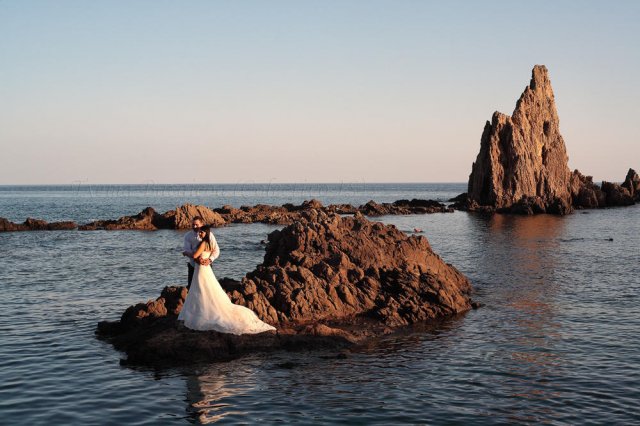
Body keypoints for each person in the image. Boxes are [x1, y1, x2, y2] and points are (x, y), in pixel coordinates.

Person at [178, 226, 276, 334]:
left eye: (201, 232)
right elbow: (207, 254)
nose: (199, 234)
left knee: (200, 289)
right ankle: (203, 310)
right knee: (207, 289)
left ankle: (201, 312)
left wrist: (186, 253)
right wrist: (204, 259)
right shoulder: (210, 243)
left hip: (201, 270)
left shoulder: (203, 243)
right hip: (205, 268)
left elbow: (195, 255)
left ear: (206, 233)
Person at [183, 216, 219, 289]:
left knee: (208, 287)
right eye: (193, 224)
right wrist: (196, 259)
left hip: (206, 265)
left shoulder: (210, 235)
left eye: (197, 224)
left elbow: (216, 250)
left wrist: (210, 260)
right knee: (192, 288)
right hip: (193, 266)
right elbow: (188, 249)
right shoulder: (187, 236)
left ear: (202, 224)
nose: (194, 226)